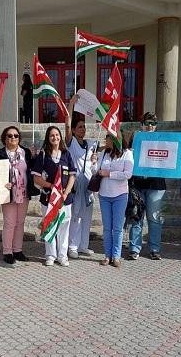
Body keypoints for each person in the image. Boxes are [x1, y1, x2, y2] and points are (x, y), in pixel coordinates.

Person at [32, 126, 76, 266]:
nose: (55, 137)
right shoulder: (43, 155)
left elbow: (72, 176)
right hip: (48, 198)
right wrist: (52, 187)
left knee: (63, 226)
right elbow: (36, 179)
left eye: (57, 135)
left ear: (60, 137)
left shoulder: (66, 154)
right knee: (50, 225)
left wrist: (65, 192)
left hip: (64, 199)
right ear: (48, 138)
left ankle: (62, 255)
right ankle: (50, 255)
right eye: (52, 135)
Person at [0, 126, 36, 267]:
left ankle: (18, 250)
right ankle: (7, 252)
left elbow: (31, 170)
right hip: (8, 193)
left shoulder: (26, 152)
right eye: (9, 135)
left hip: (23, 192)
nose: (13, 138)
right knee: (10, 223)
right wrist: (1, 183)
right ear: (4, 138)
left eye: (16, 136)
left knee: (20, 222)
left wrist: (35, 156)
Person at [127, 113, 166, 261]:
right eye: (147, 123)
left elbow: (172, 156)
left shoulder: (164, 141)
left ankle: (154, 249)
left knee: (154, 218)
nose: (150, 126)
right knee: (137, 217)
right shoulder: (135, 139)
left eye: (153, 123)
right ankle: (134, 248)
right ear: (141, 124)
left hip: (156, 185)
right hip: (138, 184)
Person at [92, 134, 134, 267]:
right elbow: (95, 172)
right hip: (104, 194)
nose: (106, 141)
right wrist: (93, 162)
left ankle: (116, 256)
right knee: (107, 227)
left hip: (120, 195)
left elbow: (128, 174)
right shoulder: (104, 152)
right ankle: (107, 255)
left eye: (108, 138)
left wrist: (109, 174)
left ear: (116, 139)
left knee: (117, 228)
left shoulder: (127, 153)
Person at [65, 95, 96, 259]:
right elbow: (66, 124)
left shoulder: (90, 144)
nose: (83, 129)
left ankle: (84, 245)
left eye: (84, 127)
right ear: (74, 130)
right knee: (75, 216)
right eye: (80, 127)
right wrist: (71, 105)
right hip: (76, 183)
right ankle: (72, 246)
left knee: (87, 216)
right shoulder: (71, 143)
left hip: (89, 184)